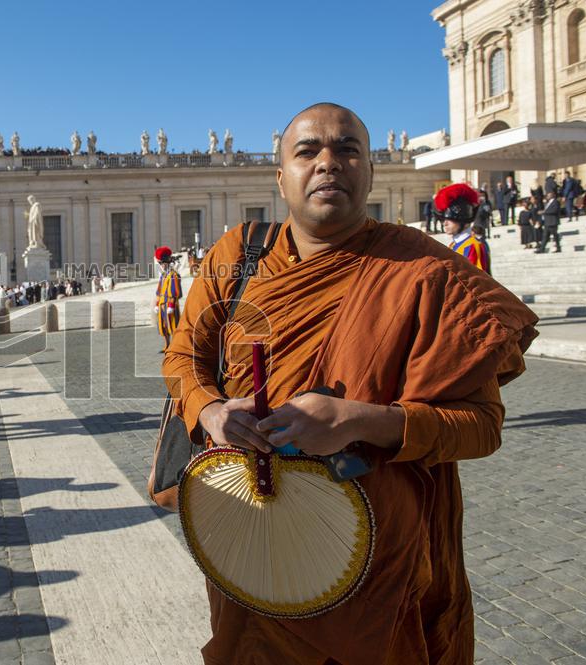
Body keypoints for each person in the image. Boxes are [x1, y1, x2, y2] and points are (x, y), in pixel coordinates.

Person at [162, 103, 537, 665]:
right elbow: (184, 354)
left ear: (370, 172)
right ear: (280, 175)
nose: (328, 163)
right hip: (248, 539)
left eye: (348, 149)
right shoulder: (236, 255)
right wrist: (210, 410)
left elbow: (481, 427)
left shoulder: (428, 272)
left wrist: (362, 420)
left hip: (377, 566)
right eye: (307, 151)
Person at [440, 183, 491, 273]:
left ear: (462, 220)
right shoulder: (452, 245)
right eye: (444, 219)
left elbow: (477, 281)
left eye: (450, 219)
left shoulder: (473, 246)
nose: (445, 223)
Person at [152, 246, 182, 352]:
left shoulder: (174, 275)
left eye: (162, 263)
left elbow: (176, 292)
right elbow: (159, 291)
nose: (161, 266)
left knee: (173, 325)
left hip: (170, 304)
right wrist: (156, 303)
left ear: (167, 263)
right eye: (160, 263)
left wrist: (171, 305)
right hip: (162, 304)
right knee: (163, 326)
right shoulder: (163, 275)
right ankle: (167, 345)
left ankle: (175, 346)